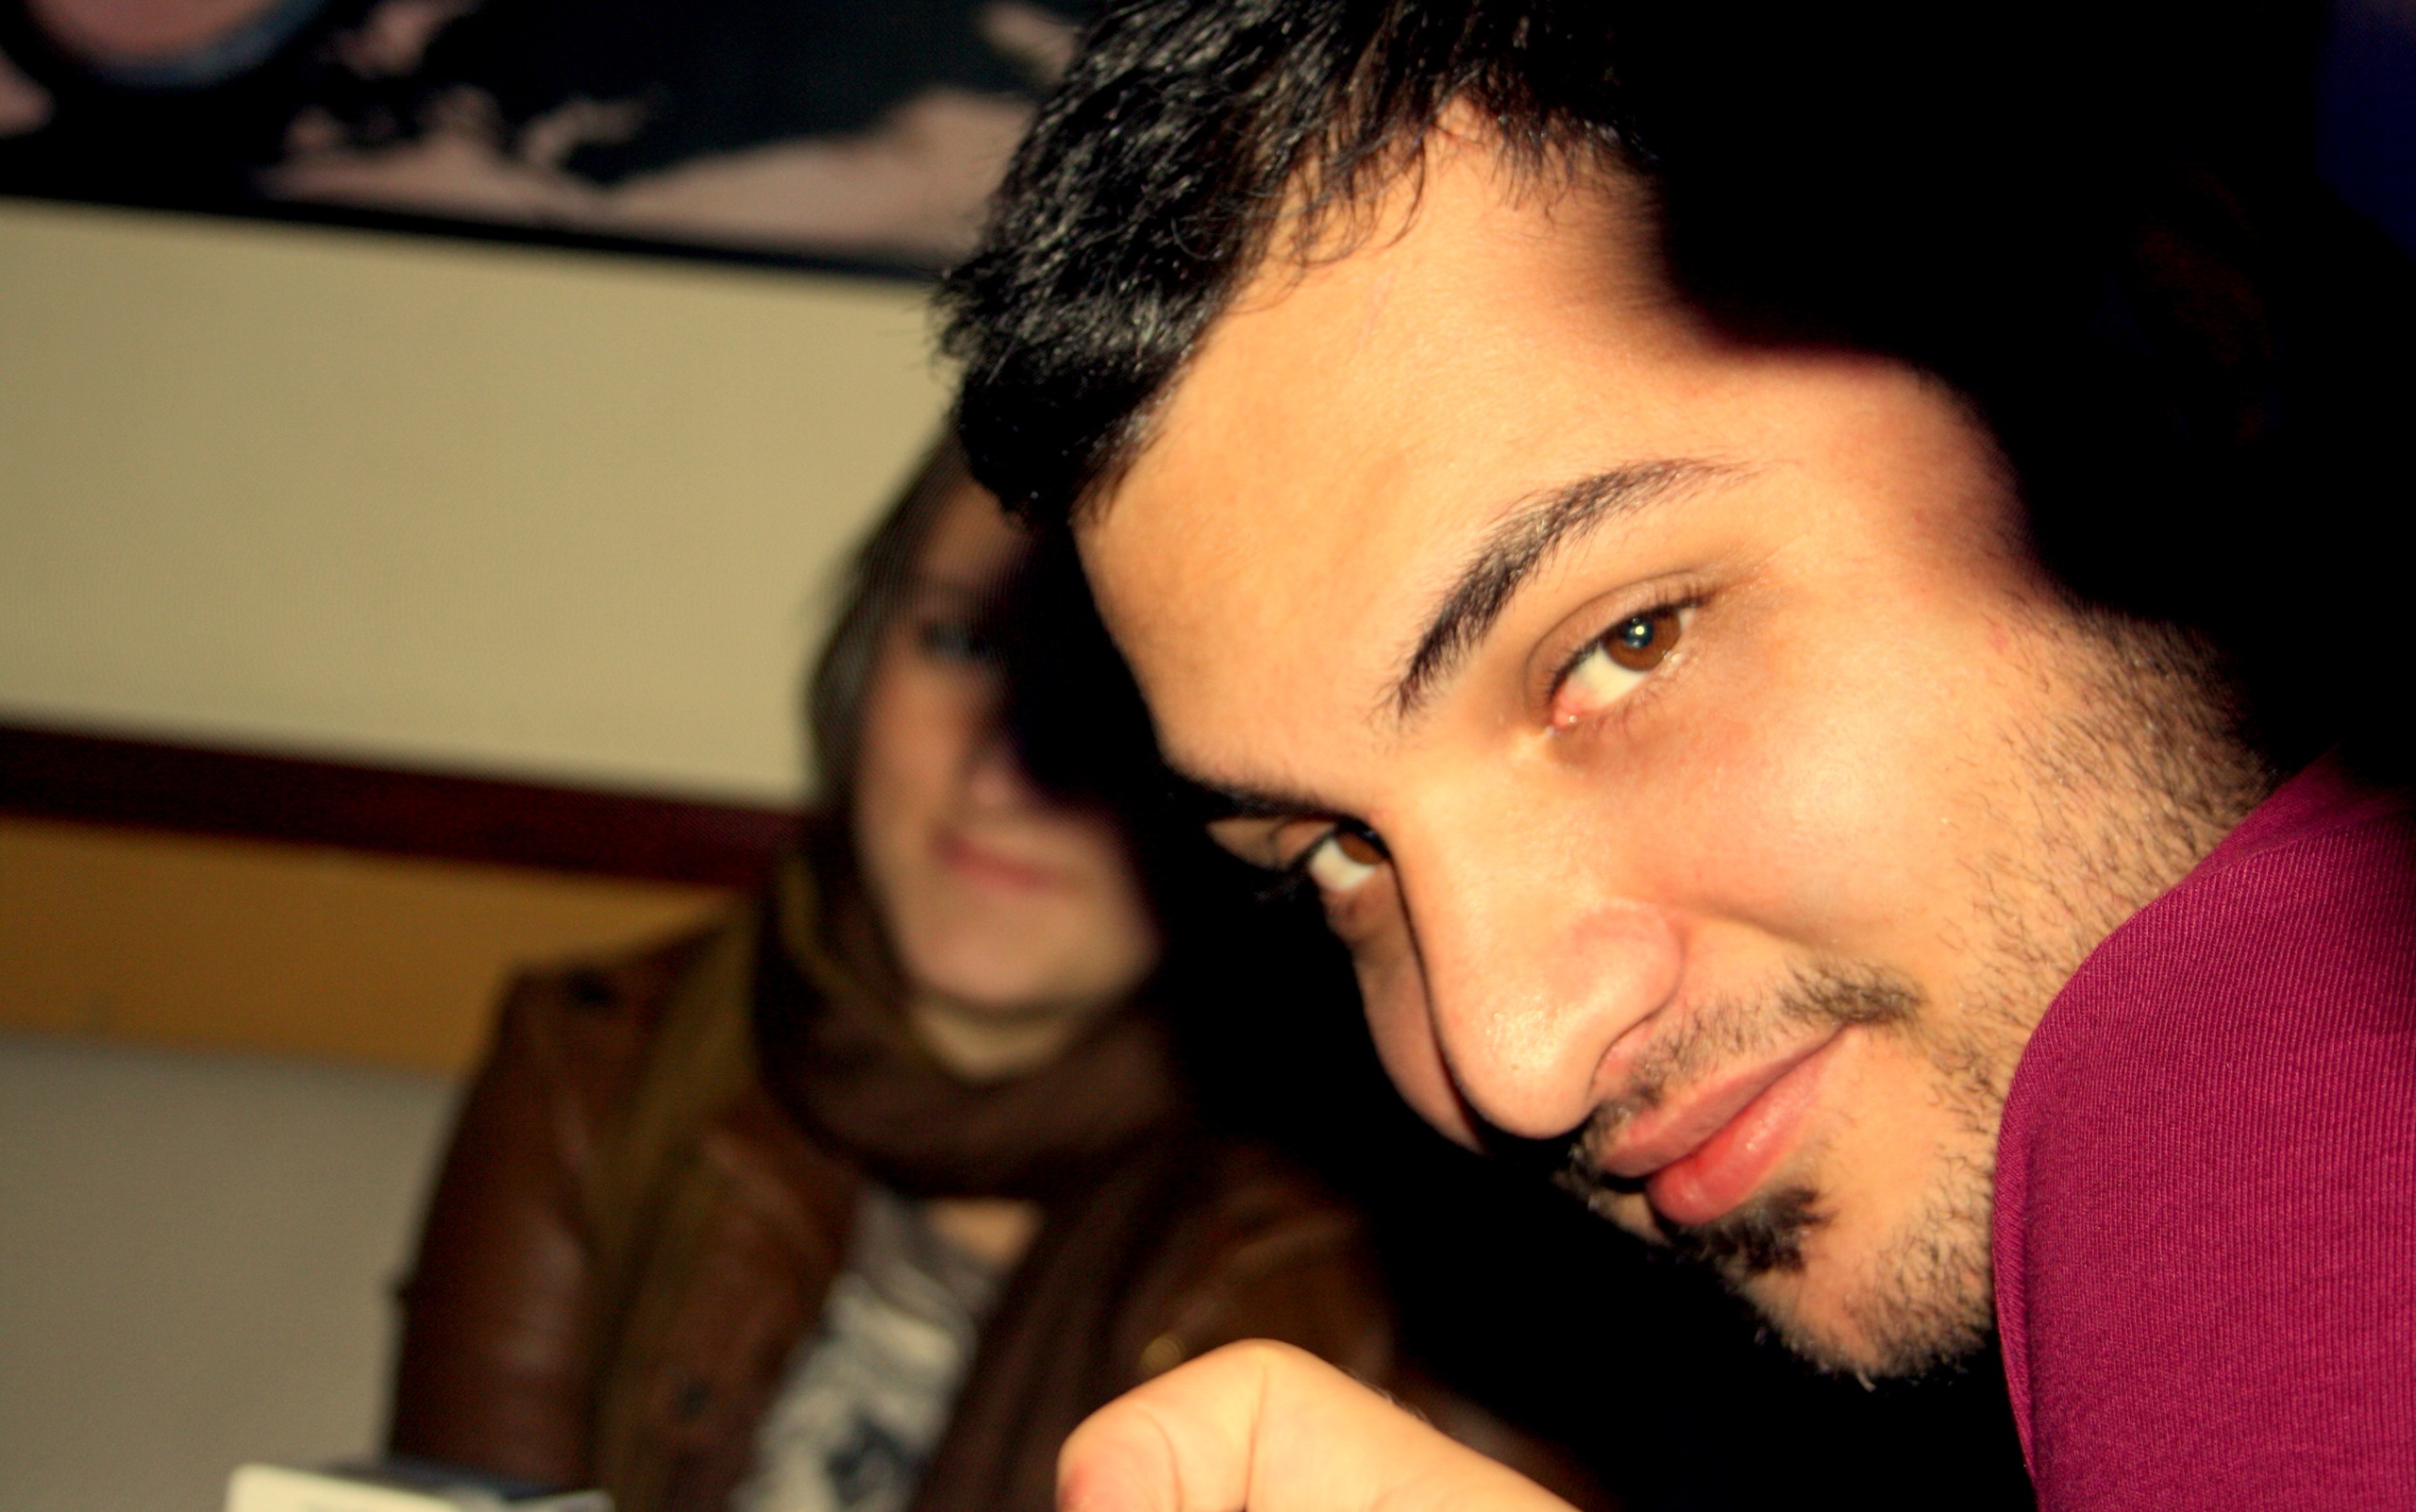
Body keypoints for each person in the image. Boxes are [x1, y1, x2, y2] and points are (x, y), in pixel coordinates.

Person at [936, 2, 2416, 1509]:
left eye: (1625, 643)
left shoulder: (2254, 1088)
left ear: (2175, 354)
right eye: (1339, 853)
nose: (1512, 1061)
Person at [383, 440, 1588, 1512]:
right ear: (863, 659)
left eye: (1105, 703)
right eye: (960, 644)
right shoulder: (596, 1063)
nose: (1005, 772)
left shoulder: (1423, 1217)